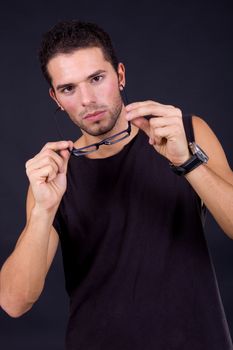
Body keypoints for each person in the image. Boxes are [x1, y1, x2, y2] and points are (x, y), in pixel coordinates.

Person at [0, 20, 233, 350]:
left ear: (120, 75)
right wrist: (43, 210)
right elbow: (14, 302)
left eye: (97, 79)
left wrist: (188, 161)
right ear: (55, 97)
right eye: (69, 88)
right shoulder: (54, 177)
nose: (87, 99)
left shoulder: (186, 133)